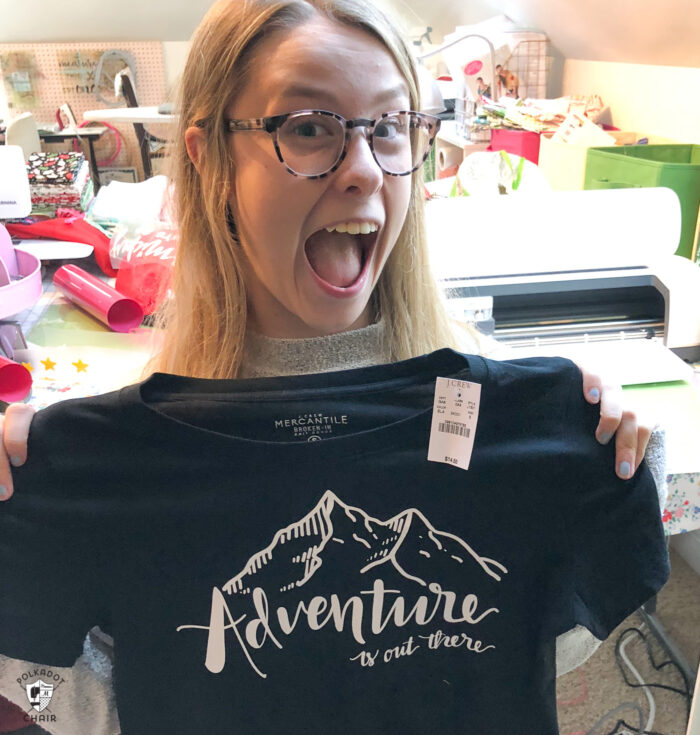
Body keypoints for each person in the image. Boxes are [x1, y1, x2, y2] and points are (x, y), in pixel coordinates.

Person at [0, 1, 662, 733]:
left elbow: (525, 643)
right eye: (309, 128)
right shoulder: (114, 460)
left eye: (389, 126)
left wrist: (614, 451)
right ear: (208, 156)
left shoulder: (512, 418)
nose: (362, 169)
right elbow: (60, 701)